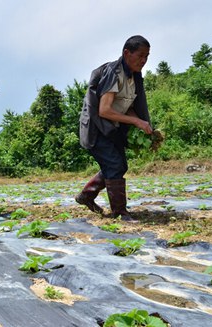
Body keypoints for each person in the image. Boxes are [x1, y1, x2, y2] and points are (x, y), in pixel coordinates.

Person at [75, 35, 153, 222]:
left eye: (147, 56)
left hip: (112, 129)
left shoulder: (134, 77)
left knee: (119, 165)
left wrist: (142, 123)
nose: (143, 61)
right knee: (114, 166)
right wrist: (135, 122)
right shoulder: (114, 73)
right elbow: (104, 110)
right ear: (127, 53)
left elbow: (130, 108)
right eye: (140, 55)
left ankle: (86, 195)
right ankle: (120, 213)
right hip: (97, 128)